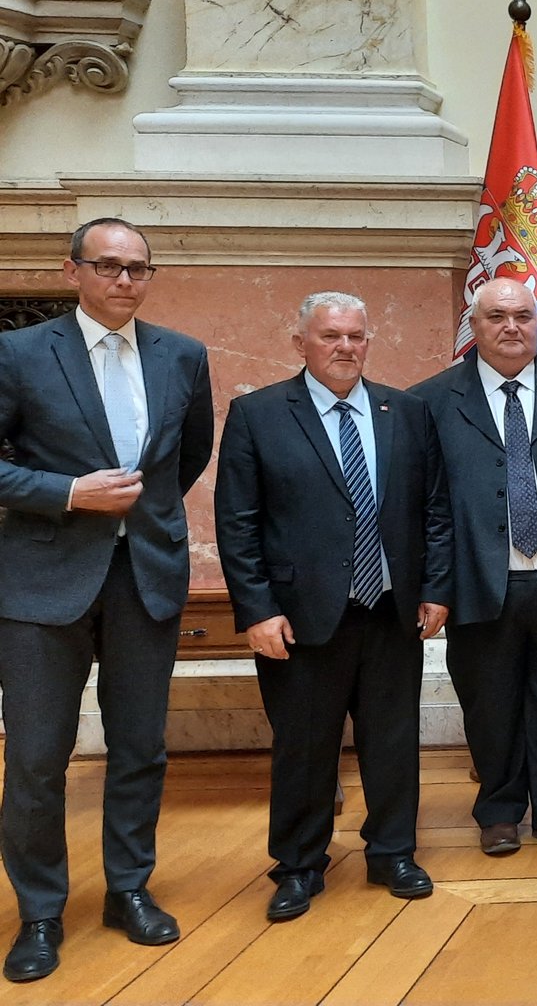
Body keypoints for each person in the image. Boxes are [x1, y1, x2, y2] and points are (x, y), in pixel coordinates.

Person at [0, 218, 214, 983]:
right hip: (42, 582)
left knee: (140, 749)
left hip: (144, 576)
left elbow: (189, 454)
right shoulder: (20, 352)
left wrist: (141, 516)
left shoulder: (182, 355)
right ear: (74, 271)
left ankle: (128, 890)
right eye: (109, 266)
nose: (125, 280)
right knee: (35, 758)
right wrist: (69, 493)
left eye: (138, 269)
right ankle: (40, 912)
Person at [214, 292, 453, 923]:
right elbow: (237, 523)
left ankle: (393, 852)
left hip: (391, 610)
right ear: (301, 343)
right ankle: (298, 865)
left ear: (368, 341)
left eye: (356, 336)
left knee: (393, 741)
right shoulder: (258, 414)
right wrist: (257, 610)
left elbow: (435, 509)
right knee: (304, 746)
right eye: (330, 336)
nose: (345, 347)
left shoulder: (406, 411)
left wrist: (436, 588)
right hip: (299, 617)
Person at [412, 279, 537, 857]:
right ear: (473, 326)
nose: (511, 327)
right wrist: (433, 584)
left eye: (523, 316)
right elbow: (423, 503)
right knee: (489, 704)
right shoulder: (430, 399)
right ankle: (499, 812)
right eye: (497, 316)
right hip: (479, 580)